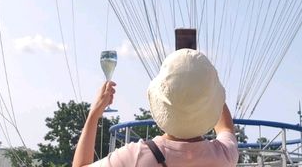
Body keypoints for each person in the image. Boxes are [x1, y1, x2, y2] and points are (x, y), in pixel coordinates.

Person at [72, 49, 239, 167]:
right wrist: (202, 84)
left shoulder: (136, 157)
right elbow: (225, 127)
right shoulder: (224, 156)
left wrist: (94, 114)